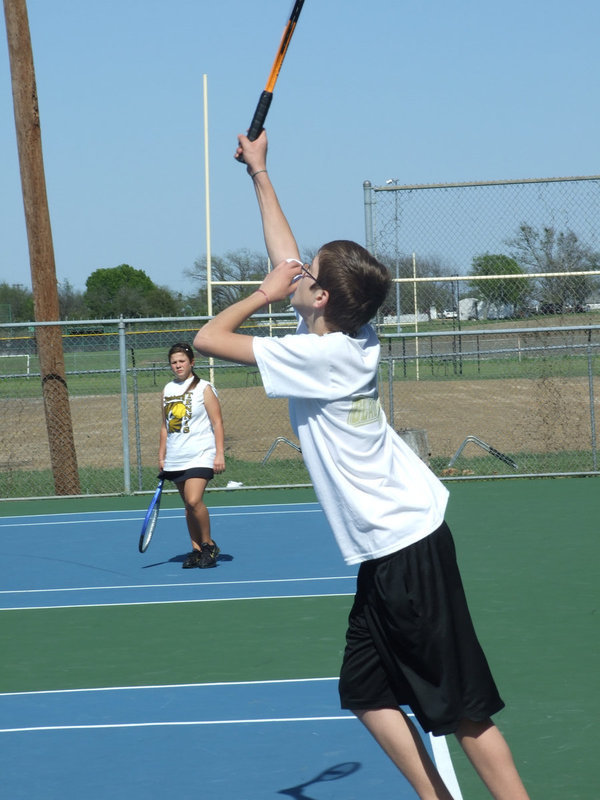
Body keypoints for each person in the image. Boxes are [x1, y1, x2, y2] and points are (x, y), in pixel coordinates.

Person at [193, 131, 530, 799]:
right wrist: (260, 173)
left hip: (406, 545)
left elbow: (208, 339)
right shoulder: (339, 331)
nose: (297, 273)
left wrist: (261, 294)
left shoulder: (322, 358)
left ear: (320, 300)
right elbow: (288, 255)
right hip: (389, 551)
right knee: (365, 690)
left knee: (462, 706)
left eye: (307, 276)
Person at [158, 342, 225, 569]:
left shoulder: (204, 388)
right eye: (174, 362)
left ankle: (208, 545)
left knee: (195, 500)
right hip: (176, 456)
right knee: (188, 506)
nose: (178, 366)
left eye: (182, 362)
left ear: (192, 363)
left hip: (201, 453)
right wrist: (162, 456)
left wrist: (219, 454)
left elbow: (217, 422)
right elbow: (165, 426)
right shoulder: (168, 389)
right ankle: (196, 550)